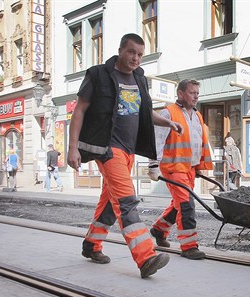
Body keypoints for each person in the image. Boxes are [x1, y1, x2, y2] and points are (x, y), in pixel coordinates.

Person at [67, 33, 183, 278]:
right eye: (131, 52)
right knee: (127, 200)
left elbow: (144, 112)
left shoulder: (139, 79)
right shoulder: (98, 74)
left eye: (140, 54)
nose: (136, 58)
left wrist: (167, 123)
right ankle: (145, 257)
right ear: (120, 50)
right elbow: (79, 111)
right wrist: (72, 147)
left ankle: (92, 244)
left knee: (110, 203)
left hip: (129, 150)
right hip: (107, 149)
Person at [147, 79, 213, 260]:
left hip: (189, 168)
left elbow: (199, 142)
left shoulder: (197, 116)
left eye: (197, 93)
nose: (196, 96)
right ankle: (189, 246)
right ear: (181, 94)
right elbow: (157, 140)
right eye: (192, 93)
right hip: (173, 167)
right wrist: (153, 165)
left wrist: (199, 166)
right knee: (186, 204)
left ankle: (159, 230)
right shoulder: (168, 113)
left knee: (179, 204)